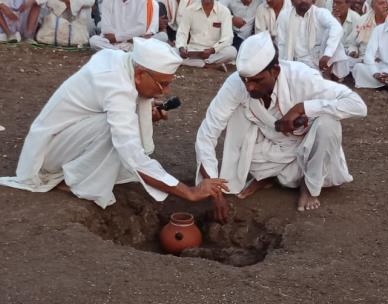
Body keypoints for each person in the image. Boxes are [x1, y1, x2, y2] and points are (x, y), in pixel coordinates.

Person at [0, 38, 228, 210]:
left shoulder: (120, 61)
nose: (166, 92)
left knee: (123, 136)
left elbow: (120, 103)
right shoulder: (116, 86)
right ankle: (76, 181)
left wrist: (144, 111)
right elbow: (131, 152)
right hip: (49, 151)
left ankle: (77, 172)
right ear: (140, 75)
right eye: (162, 84)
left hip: (66, 138)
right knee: (116, 133)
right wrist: (189, 192)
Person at [195, 32, 367, 223]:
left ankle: (309, 187)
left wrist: (303, 108)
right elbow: (207, 133)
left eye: (257, 80)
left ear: (275, 71)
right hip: (266, 149)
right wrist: (213, 189)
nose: (249, 87)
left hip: (305, 145)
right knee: (238, 123)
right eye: (245, 80)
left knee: (328, 123)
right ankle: (269, 176)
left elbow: (357, 105)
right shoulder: (236, 83)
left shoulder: (302, 76)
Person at [276, 0, 350, 80]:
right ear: (292, 1)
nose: (303, 1)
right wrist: (282, 66)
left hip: (319, 61)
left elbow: (337, 28)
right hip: (295, 61)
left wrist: (327, 54)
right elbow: (281, 43)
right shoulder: (284, 15)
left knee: (331, 34)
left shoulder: (320, 13)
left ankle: (326, 75)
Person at [175, 0, 237, 70]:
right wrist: (182, 48)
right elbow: (182, 33)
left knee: (232, 52)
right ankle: (211, 65)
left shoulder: (224, 11)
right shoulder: (189, 10)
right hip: (193, 50)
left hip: (214, 51)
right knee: (173, 52)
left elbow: (227, 37)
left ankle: (198, 63)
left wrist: (212, 50)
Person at [89, 0, 163, 51]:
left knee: (147, 44)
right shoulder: (108, 1)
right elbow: (105, 28)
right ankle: (122, 53)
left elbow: (142, 28)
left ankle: (115, 52)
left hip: (131, 42)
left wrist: (117, 37)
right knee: (94, 40)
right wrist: (119, 39)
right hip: (112, 42)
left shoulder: (143, 1)